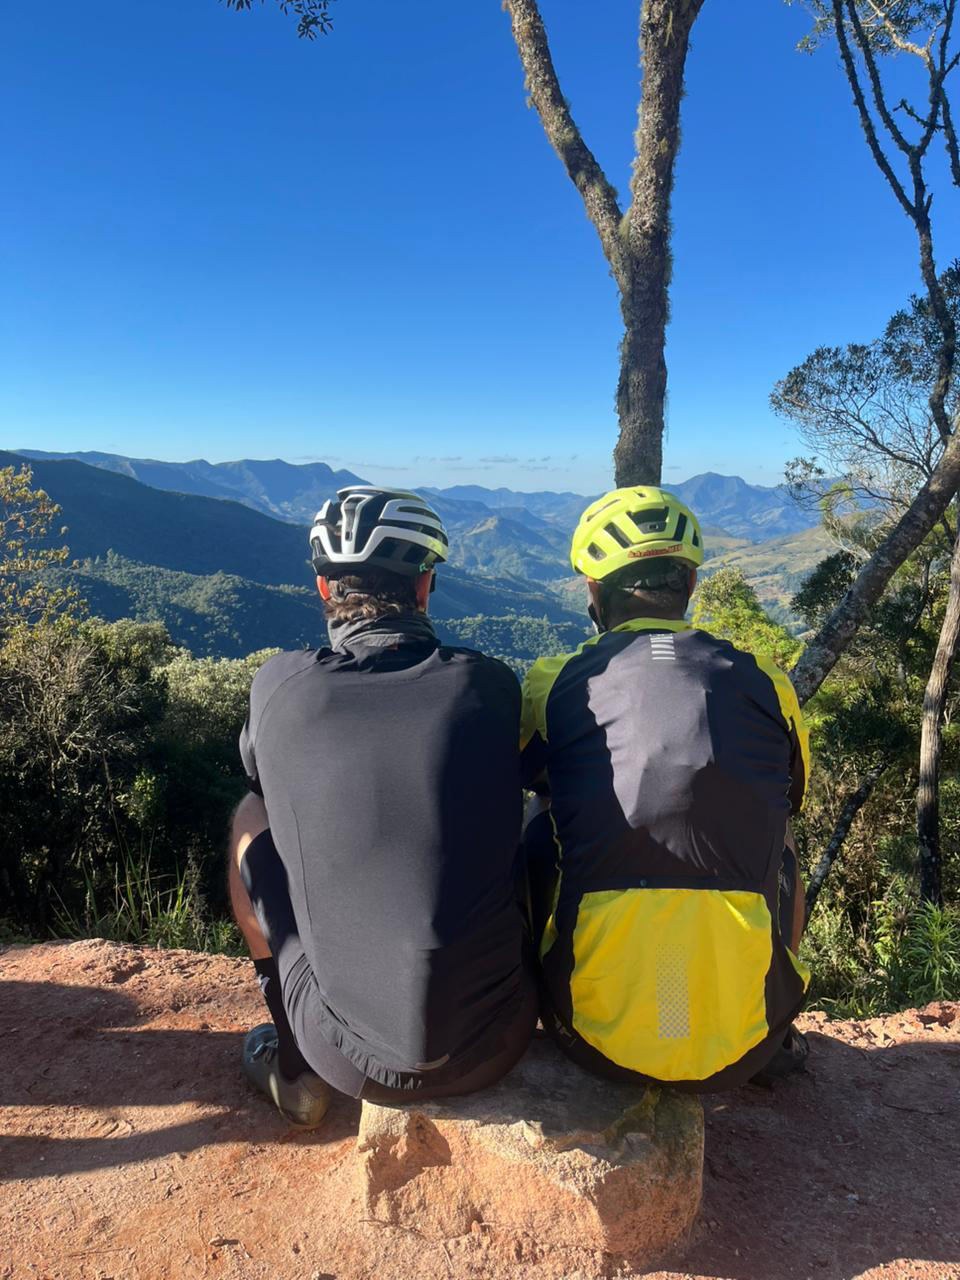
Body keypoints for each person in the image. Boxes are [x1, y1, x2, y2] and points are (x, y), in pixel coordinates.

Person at [229, 485, 537, 1127]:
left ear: (324, 590)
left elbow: (262, 776)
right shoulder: (490, 684)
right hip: (501, 1040)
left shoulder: (280, 686)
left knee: (249, 816)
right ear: (425, 587)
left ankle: (293, 1063)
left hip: (347, 1060)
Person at [520, 485, 811, 1091]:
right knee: (780, 845)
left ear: (594, 592)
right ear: (690, 584)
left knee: (532, 826)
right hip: (747, 1046)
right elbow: (790, 799)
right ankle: (772, 1019)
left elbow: (517, 778)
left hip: (591, 1036)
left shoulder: (555, 683)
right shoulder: (768, 682)